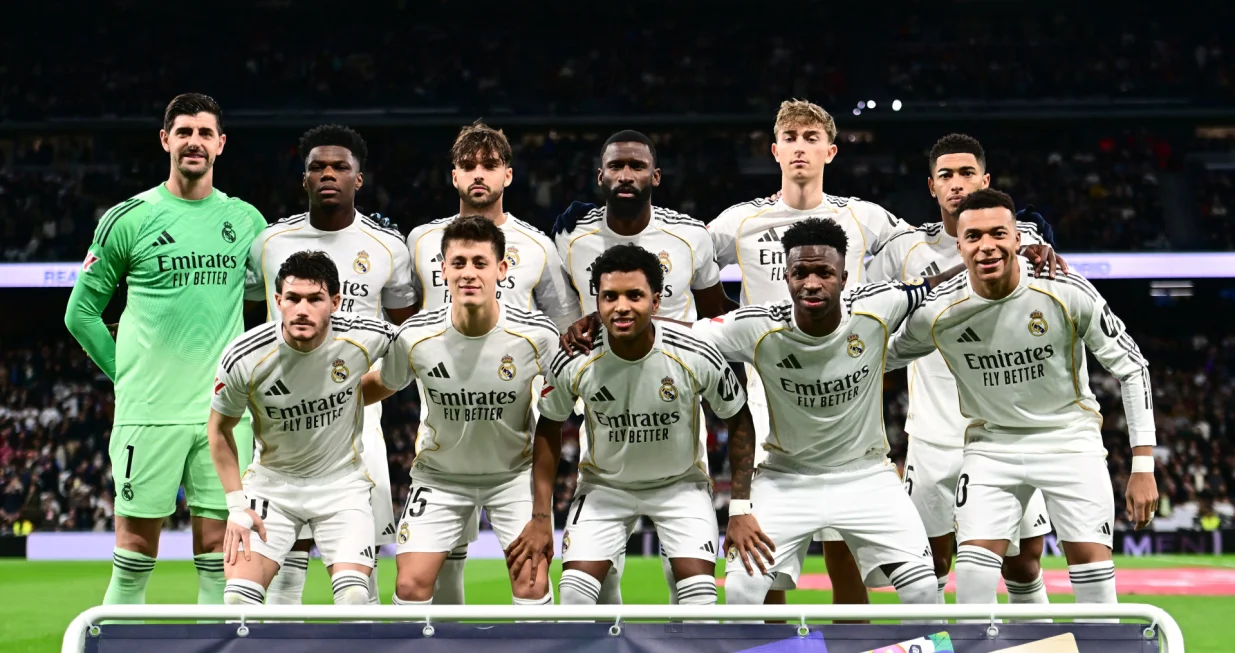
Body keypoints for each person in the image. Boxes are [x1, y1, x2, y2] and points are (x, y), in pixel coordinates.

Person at [887, 188, 1158, 615]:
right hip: (991, 446)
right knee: (974, 579)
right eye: (973, 236)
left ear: (1018, 239)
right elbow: (875, 360)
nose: (986, 245)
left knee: (1093, 579)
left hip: (1069, 440)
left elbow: (1132, 366)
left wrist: (1143, 466)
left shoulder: (1065, 290)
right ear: (959, 245)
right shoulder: (939, 309)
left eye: (998, 233)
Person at [705, 98, 917, 609]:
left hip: (846, 399)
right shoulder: (740, 221)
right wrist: (725, 318)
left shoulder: (862, 217)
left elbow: (929, 248)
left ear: (831, 150)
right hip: (768, 403)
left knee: (847, 558)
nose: (801, 148)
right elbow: (681, 264)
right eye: (791, 139)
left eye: (811, 138)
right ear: (775, 151)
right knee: (763, 567)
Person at [677, 218, 952, 609]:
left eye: (823, 272)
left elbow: (936, 286)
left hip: (868, 475)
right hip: (786, 478)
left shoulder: (877, 305)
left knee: (924, 590)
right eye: (799, 272)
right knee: (741, 593)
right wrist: (605, 321)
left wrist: (1018, 260)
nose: (811, 283)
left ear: (842, 277)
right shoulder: (758, 325)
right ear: (786, 277)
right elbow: (682, 333)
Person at [64, 93, 268, 607]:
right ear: (165, 140)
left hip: (221, 416)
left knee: (220, 560)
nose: (194, 142)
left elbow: (276, 303)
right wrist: (123, 375)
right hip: (148, 413)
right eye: (184, 132)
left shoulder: (247, 222)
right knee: (133, 556)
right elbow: (79, 314)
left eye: (204, 133)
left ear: (221, 144)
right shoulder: (129, 218)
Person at [867, 134, 1064, 608]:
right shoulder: (905, 249)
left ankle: (1029, 647)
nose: (957, 184)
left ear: (986, 180)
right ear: (931, 186)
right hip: (934, 436)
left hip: (1009, 431)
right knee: (929, 565)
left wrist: (1049, 253)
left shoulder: (1024, 240)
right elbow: (868, 317)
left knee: (1023, 563)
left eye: (967, 173)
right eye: (946, 176)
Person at [509, 243, 754, 608]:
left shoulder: (694, 352)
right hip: (604, 487)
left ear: (656, 302)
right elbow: (549, 426)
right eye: (610, 296)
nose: (621, 306)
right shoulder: (575, 358)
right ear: (597, 302)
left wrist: (740, 509)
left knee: (700, 598)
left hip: (680, 486)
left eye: (634, 295)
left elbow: (738, 418)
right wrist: (541, 516)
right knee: (575, 594)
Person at [404, 121, 581, 603]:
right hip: (442, 424)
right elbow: (407, 324)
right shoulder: (422, 241)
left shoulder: (538, 246)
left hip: (511, 436)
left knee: (528, 577)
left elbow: (566, 333)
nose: (477, 174)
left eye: (488, 165)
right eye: (467, 166)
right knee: (440, 571)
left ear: (508, 174)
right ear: (454, 177)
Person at [552, 130, 730, 603]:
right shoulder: (570, 236)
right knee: (593, 579)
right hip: (606, 402)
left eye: (635, 166)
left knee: (690, 584)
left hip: (675, 400)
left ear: (655, 176)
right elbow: (565, 319)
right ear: (600, 176)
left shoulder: (690, 235)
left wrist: (678, 341)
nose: (625, 174)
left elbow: (717, 314)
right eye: (615, 166)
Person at [244, 124, 418, 605]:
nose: (328, 174)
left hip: (359, 417)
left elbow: (405, 339)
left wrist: (367, 391)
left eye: (340, 167)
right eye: (317, 167)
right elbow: (249, 317)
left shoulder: (388, 247)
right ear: (303, 179)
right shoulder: (269, 242)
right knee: (284, 556)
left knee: (362, 560)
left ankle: (367, 637)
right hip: (282, 419)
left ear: (358, 179)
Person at [362, 216, 558, 608]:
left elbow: (554, 419)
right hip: (440, 478)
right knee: (411, 587)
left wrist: (542, 515)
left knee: (531, 584)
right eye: (459, 262)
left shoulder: (538, 336)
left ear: (502, 270)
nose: (468, 273)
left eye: (480, 263)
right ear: (443, 268)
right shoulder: (415, 337)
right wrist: (321, 395)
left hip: (512, 478)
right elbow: (380, 384)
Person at [209, 250, 397, 606]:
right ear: (278, 300)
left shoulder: (365, 336)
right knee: (238, 602)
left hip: (342, 486)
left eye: (315, 299)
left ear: (335, 302)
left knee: (355, 596)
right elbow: (219, 430)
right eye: (293, 298)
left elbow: (414, 353)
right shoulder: (244, 357)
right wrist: (235, 506)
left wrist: (356, 394)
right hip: (272, 487)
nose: (302, 309)